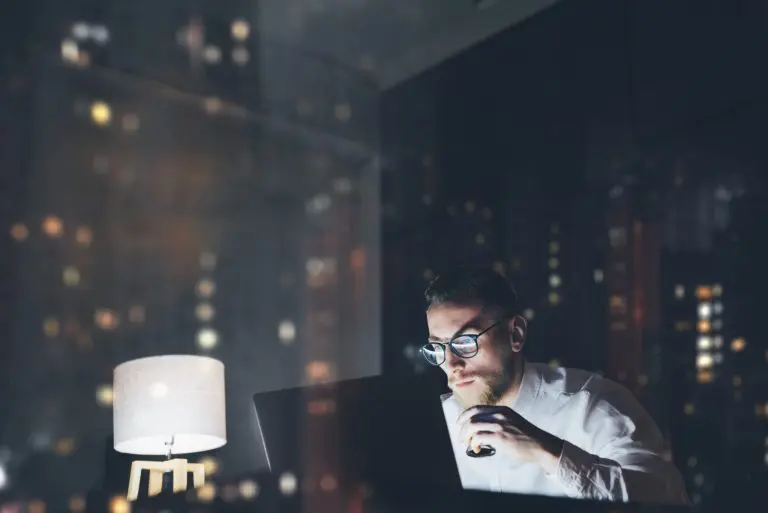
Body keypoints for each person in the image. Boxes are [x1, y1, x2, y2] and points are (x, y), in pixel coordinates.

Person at [421, 266, 690, 504]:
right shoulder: (433, 425)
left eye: (466, 342)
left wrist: (548, 452)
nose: (452, 364)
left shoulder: (591, 406)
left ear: (515, 334)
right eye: (438, 348)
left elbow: (665, 501)